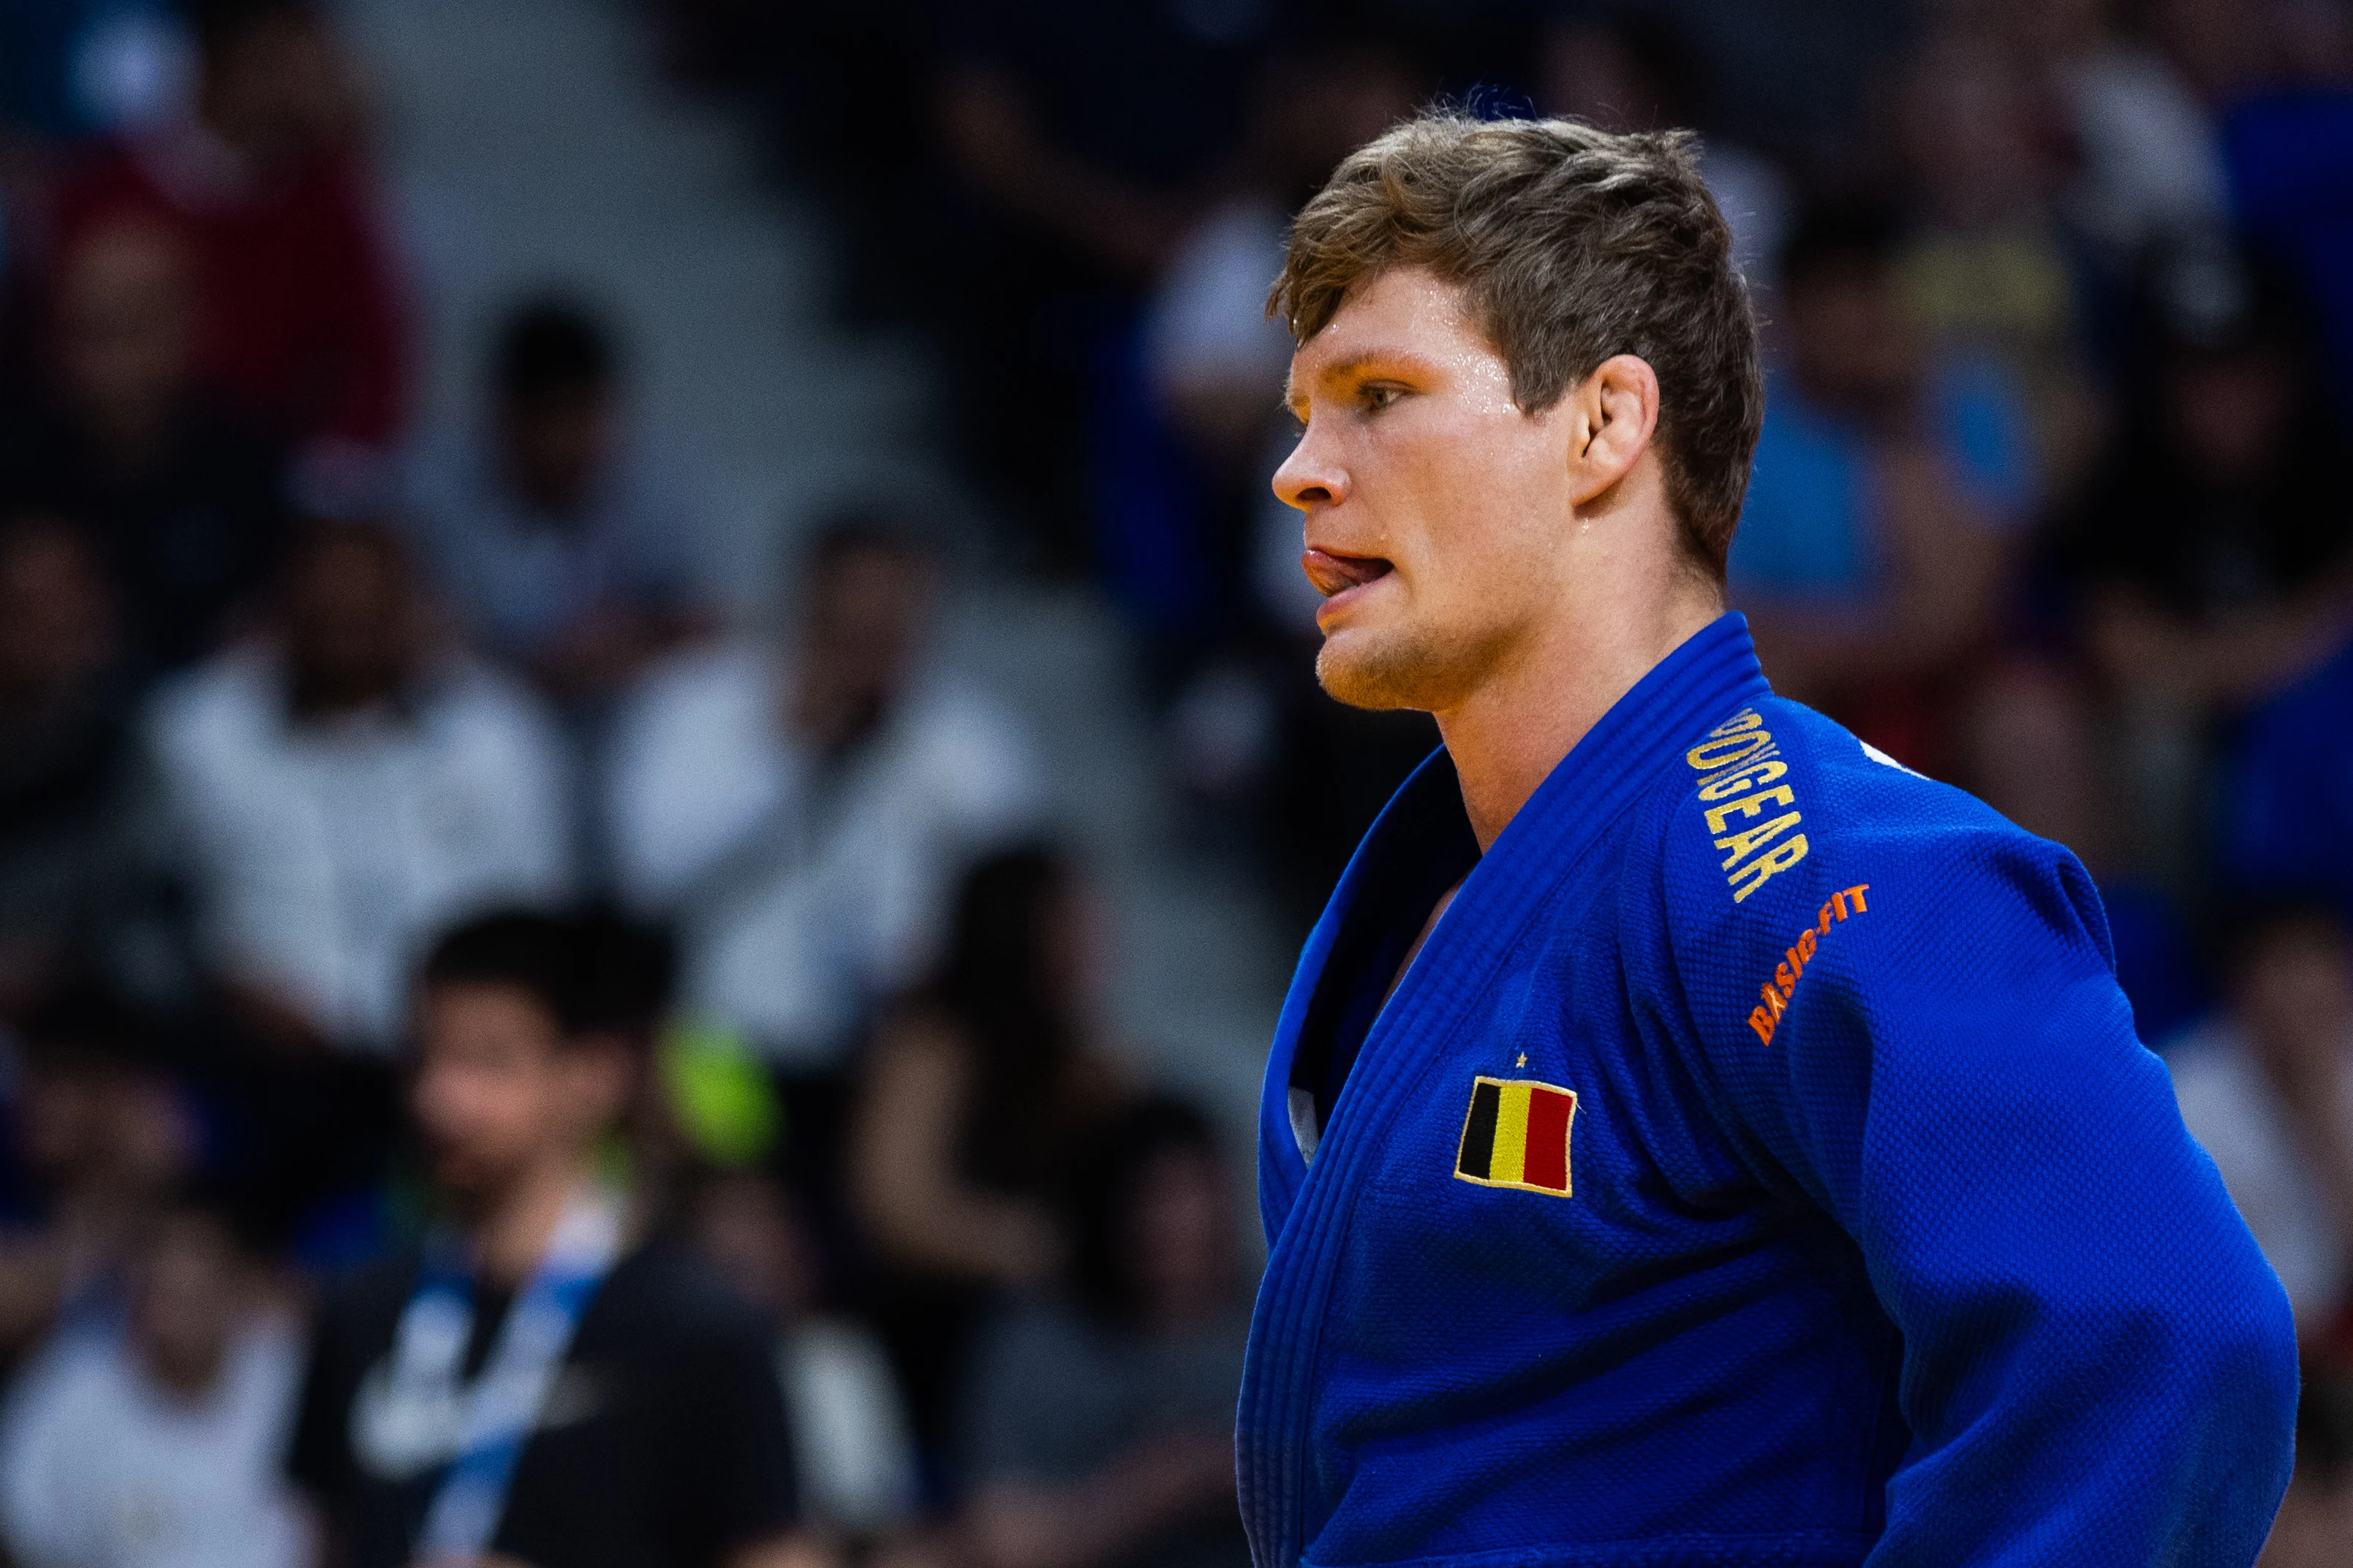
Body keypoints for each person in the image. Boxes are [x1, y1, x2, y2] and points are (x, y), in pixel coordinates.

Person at [1242, 112, 2295, 1567]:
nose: (1302, 468)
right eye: (1303, 409)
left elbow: (2162, 1334)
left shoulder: (1811, 862)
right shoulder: (1436, 886)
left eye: (1378, 393)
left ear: (1603, 425)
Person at [285, 910, 814, 1568]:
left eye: (488, 1061)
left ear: (595, 1075)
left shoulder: (700, 1332)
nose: (441, 1099)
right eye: (426, 1056)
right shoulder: (362, 1307)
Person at [605, 517, 1038, 1080]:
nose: (869, 657)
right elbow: (648, 883)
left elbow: (1016, 913)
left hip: (899, 1055)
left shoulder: (976, 742)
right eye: (849, 632)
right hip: (718, 1041)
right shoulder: (694, 705)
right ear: (807, 605)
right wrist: (790, 760)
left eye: (891, 632)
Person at [146, 518, 571, 1055]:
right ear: (279, 614)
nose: (347, 640)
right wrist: (211, 985)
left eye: (367, 619)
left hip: (460, 1052)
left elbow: (537, 909)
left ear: (414, 611)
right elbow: (150, 909)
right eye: (327, 618)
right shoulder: (198, 733)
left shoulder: (497, 733)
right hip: (256, 1057)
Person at [47, 0, 407, 476]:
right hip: (104, 469)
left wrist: (331, 468)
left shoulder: (327, 195)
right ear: (229, 63)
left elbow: (371, 354)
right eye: (286, 59)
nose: (316, 77)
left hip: (274, 480)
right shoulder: (101, 188)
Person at [847, 847, 1126, 1442]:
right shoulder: (933, 1043)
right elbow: (896, 1203)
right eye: (1071, 917)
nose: (1098, 934)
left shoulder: (1087, 1062)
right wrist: (1034, 1246)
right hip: (941, 1341)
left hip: (1058, 1338)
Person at [959, 1097, 1249, 1568]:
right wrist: (1155, 1487)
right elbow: (1003, 1544)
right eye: (1155, 1196)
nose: (1181, 1222)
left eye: (1198, 1192)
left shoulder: (1279, 1334)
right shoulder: (1040, 1343)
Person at [0, 215, 289, 674]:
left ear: (193, 327)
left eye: (124, 330)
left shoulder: (247, 466)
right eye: (79, 331)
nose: (96, 364)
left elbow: (272, 624)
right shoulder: (15, 453)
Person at [401, 298, 711, 713]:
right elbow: (418, 640)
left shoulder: (651, 491)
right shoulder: (435, 496)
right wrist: (539, 670)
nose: (571, 441)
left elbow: (704, 626)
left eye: (587, 415)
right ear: (507, 416)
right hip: (482, 721)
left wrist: (637, 641)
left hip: (616, 717)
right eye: (554, 417)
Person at [0, 1194, 308, 1568]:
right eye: (164, 1293)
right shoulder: (69, 1385)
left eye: (195, 1296)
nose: (174, 1318)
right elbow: (19, 1535)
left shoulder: (289, 1377)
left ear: (237, 1292)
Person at [689, 1168, 921, 1545]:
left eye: (777, 1219)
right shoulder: (668, 1367)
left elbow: (871, 1521)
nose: (770, 1242)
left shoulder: (836, 1356)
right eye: (747, 1220)